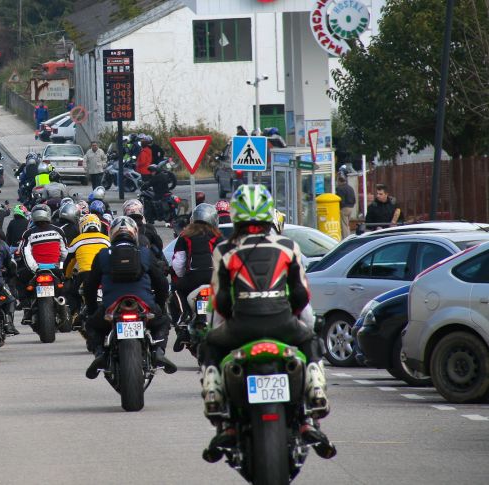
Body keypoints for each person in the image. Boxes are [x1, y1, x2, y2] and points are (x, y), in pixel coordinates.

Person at [200, 184, 334, 463]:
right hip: (283, 324)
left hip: (241, 329)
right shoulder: (288, 246)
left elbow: (220, 301)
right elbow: (301, 294)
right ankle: (315, 391)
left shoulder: (224, 250)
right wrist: (294, 318)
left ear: (235, 216)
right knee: (310, 339)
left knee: (209, 344)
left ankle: (214, 395)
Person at [83, 216, 177, 378]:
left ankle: (100, 354)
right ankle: (158, 352)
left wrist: (92, 310)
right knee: (163, 321)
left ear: (112, 234)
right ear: (134, 234)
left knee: (92, 325)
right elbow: (161, 283)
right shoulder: (145, 253)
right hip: (143, 304)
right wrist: (160, 305)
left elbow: (89, 286)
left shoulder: (103, 255)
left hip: (111, 307)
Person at [171, 203, 222, 323]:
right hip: (214, 278)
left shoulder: (185, 236)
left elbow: (178, 263)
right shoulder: (218, 237)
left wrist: (183, 276)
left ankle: (184, 314)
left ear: (193, 219)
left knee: (175, 290)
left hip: (193, 278)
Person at [17, 205, 68, 325]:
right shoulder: (58, 230)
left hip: (35, 270)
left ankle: (26, 308)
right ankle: (64, 305)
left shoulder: (28, 233)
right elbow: (65, 251)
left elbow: (25, 253)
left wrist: (35, 268)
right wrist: (59, 264)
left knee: (19, 279)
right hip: (55, 269)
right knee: (67, 283)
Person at [64, 214, 110, 314]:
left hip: (85, 274)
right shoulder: (106, 239)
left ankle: (75, 313)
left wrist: (67, 276)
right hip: (104, 274)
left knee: (73, 293)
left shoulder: (77, 240)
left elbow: (69, 262)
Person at [335, 175, 356, 239]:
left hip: (344, 208)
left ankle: (346, 238)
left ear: (339, 181)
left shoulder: (339, 188)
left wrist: (340, 207)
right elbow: (354, 199)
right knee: (347, 224)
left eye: (337, 181)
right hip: (351, 207)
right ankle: (349, 236)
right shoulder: (350, 187)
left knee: (344, 225)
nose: (337, 183)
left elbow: (340, 199)